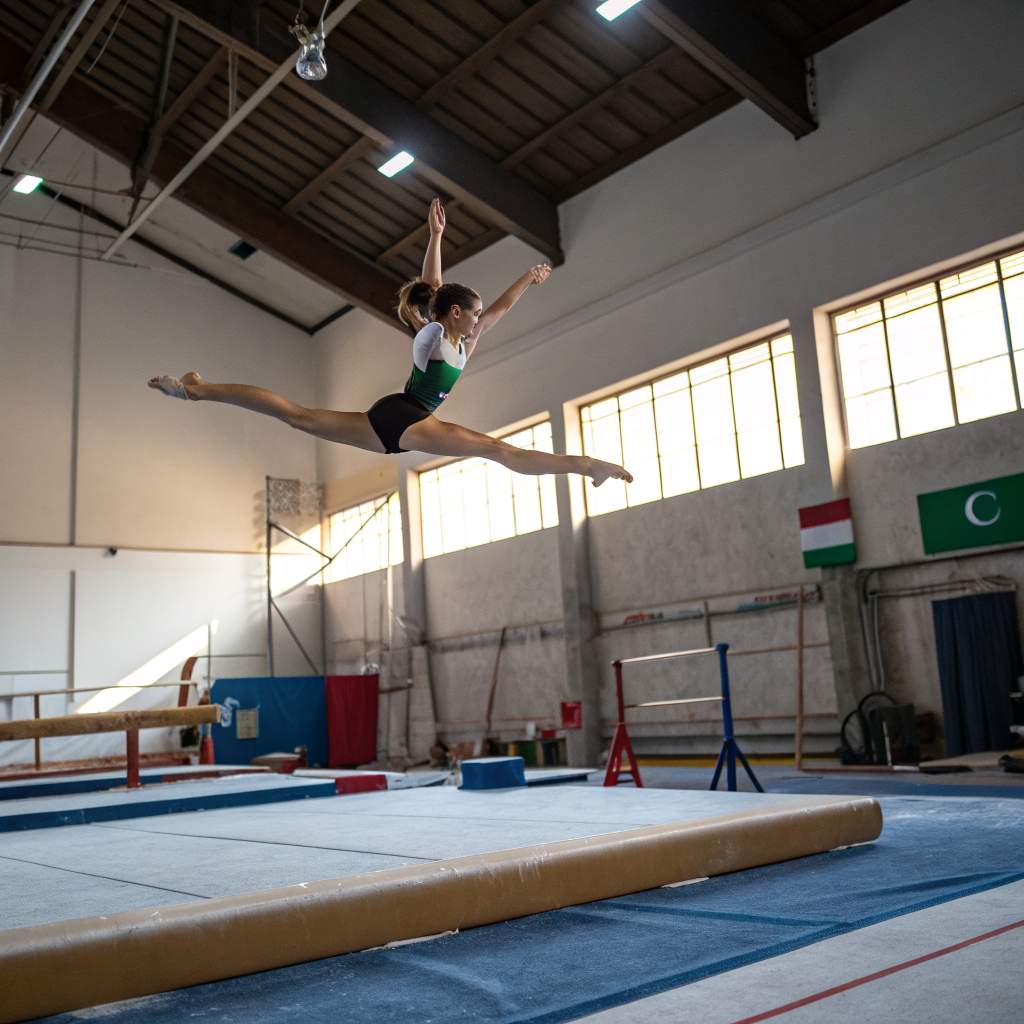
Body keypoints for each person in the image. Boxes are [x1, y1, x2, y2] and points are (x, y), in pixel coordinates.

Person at [149, 204, 632, 488]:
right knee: (494, 449)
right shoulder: (434, 338)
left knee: (298, 416)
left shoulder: (466, 333)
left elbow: (497, 305)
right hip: (410, 419)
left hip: (391, 421)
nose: (483, 317)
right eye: (473, 311)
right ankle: (588, 466)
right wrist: (434, 248)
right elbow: (435, 291)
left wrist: (528, 276)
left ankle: (196, 389)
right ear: (454, 314)